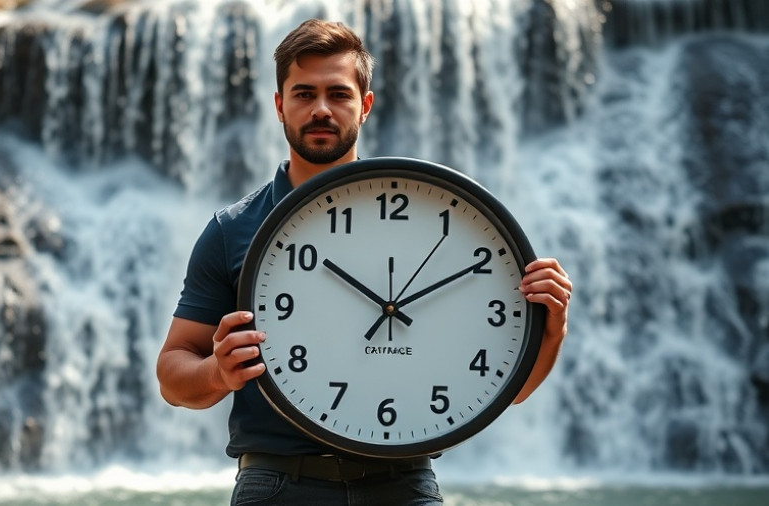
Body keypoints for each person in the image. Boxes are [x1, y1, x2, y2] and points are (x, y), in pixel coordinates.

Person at [156, 18, 572, 506]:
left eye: (338, 94)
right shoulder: (233, 229)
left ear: (365, 105)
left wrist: (552, 327)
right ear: (279, 105)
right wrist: (216, 374)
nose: (321, 110)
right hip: (276, 485)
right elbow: (172, 371)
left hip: (404, 484)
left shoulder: (433, 213)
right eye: (304, 94)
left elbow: (512, 389)